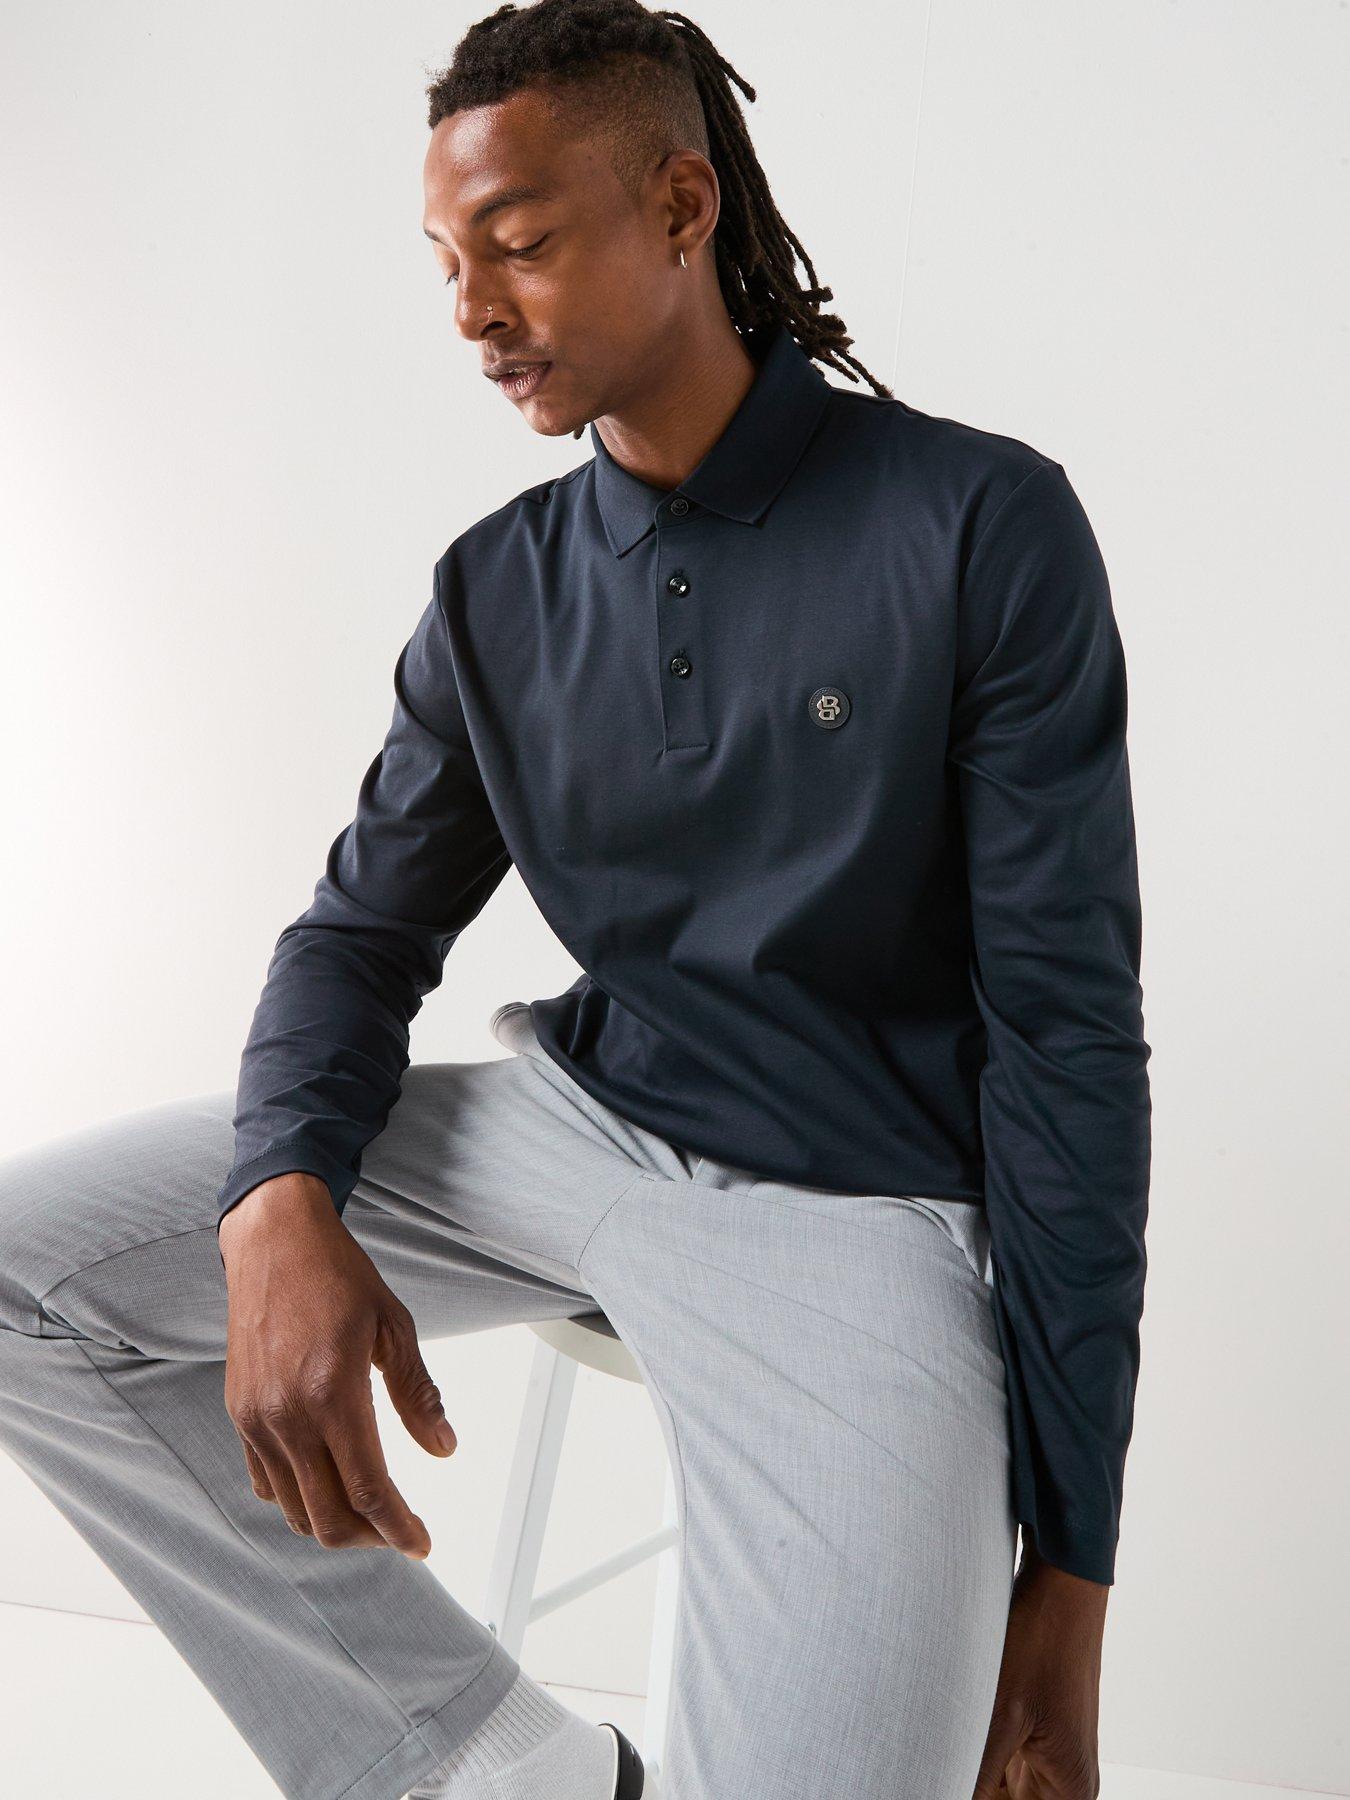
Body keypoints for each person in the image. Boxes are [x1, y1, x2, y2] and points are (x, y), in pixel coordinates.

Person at [0, 2, 1152, 1797]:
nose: (472, 309)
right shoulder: (495, 591)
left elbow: (1067, 1047)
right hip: (570, 1130)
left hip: (850, 1209)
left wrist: (1067, 1584)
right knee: (25, 1279)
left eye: (520, 243)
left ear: (681, 206)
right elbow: (357, 935)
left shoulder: (974, 526)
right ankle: (492, 1764)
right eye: (446, 260)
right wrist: (277, 1190)